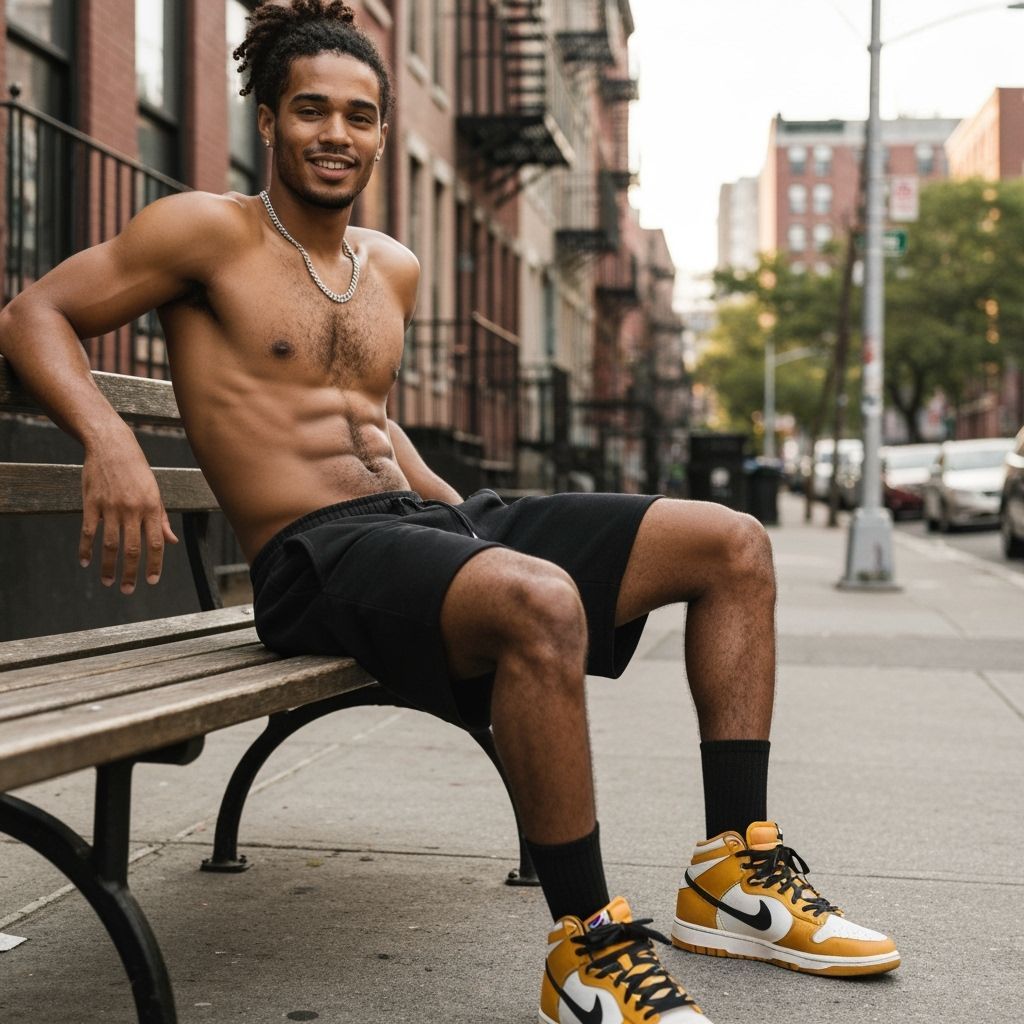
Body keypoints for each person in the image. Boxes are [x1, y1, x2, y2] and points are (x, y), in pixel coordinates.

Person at [0, 1, 899, 1019]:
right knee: (540, 600)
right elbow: (35, 313)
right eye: (311, 111)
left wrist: (458, 511)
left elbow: (366, 422)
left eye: (359, 115)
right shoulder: (203, 231)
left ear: (382, 129)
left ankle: (733, 867)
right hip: (312, 557)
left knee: (731, 541)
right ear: (268, 120)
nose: (336, 133)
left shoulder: (390, 265)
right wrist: (108, 437)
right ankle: (588, 947)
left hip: (421, 521)